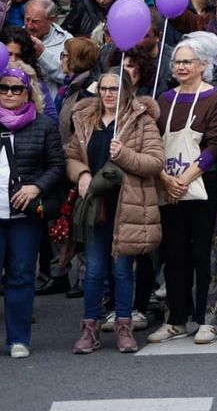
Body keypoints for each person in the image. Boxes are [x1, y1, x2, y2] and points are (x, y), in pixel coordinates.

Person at [64, 66, 164, 355]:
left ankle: (123, 327)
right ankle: (90, 328)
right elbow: (70, 154)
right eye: (104, 89)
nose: (109, 94)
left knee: (122, 271)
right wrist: (81, 173)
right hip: (96, 206)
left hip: (128, 204)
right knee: (94, 271)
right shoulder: (84, 118)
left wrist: (125, 155)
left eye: (115, 89)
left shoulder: (141, 120)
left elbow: (155, 162)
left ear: (126, 91)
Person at [145, 41, 217, 346]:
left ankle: (208, 319)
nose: (181, 67)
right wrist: (166, 178)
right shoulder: (164, 100)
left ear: (202, 65)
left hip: (203, 186)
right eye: (177, 62)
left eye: (188, 62)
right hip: (168, 185)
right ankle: (175, 320)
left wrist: (185, 177)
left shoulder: (215, 98)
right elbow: (152, 142)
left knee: (204, 254)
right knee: (174, 254)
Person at [0, 66, 66, 359]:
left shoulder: (43, 126)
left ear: (28, 92)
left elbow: (57, 165)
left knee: (21, 276)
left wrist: (36, 188)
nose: (9, 94)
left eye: (16, 88)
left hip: (24, 216)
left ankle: (18, 339)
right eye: (3, 88)